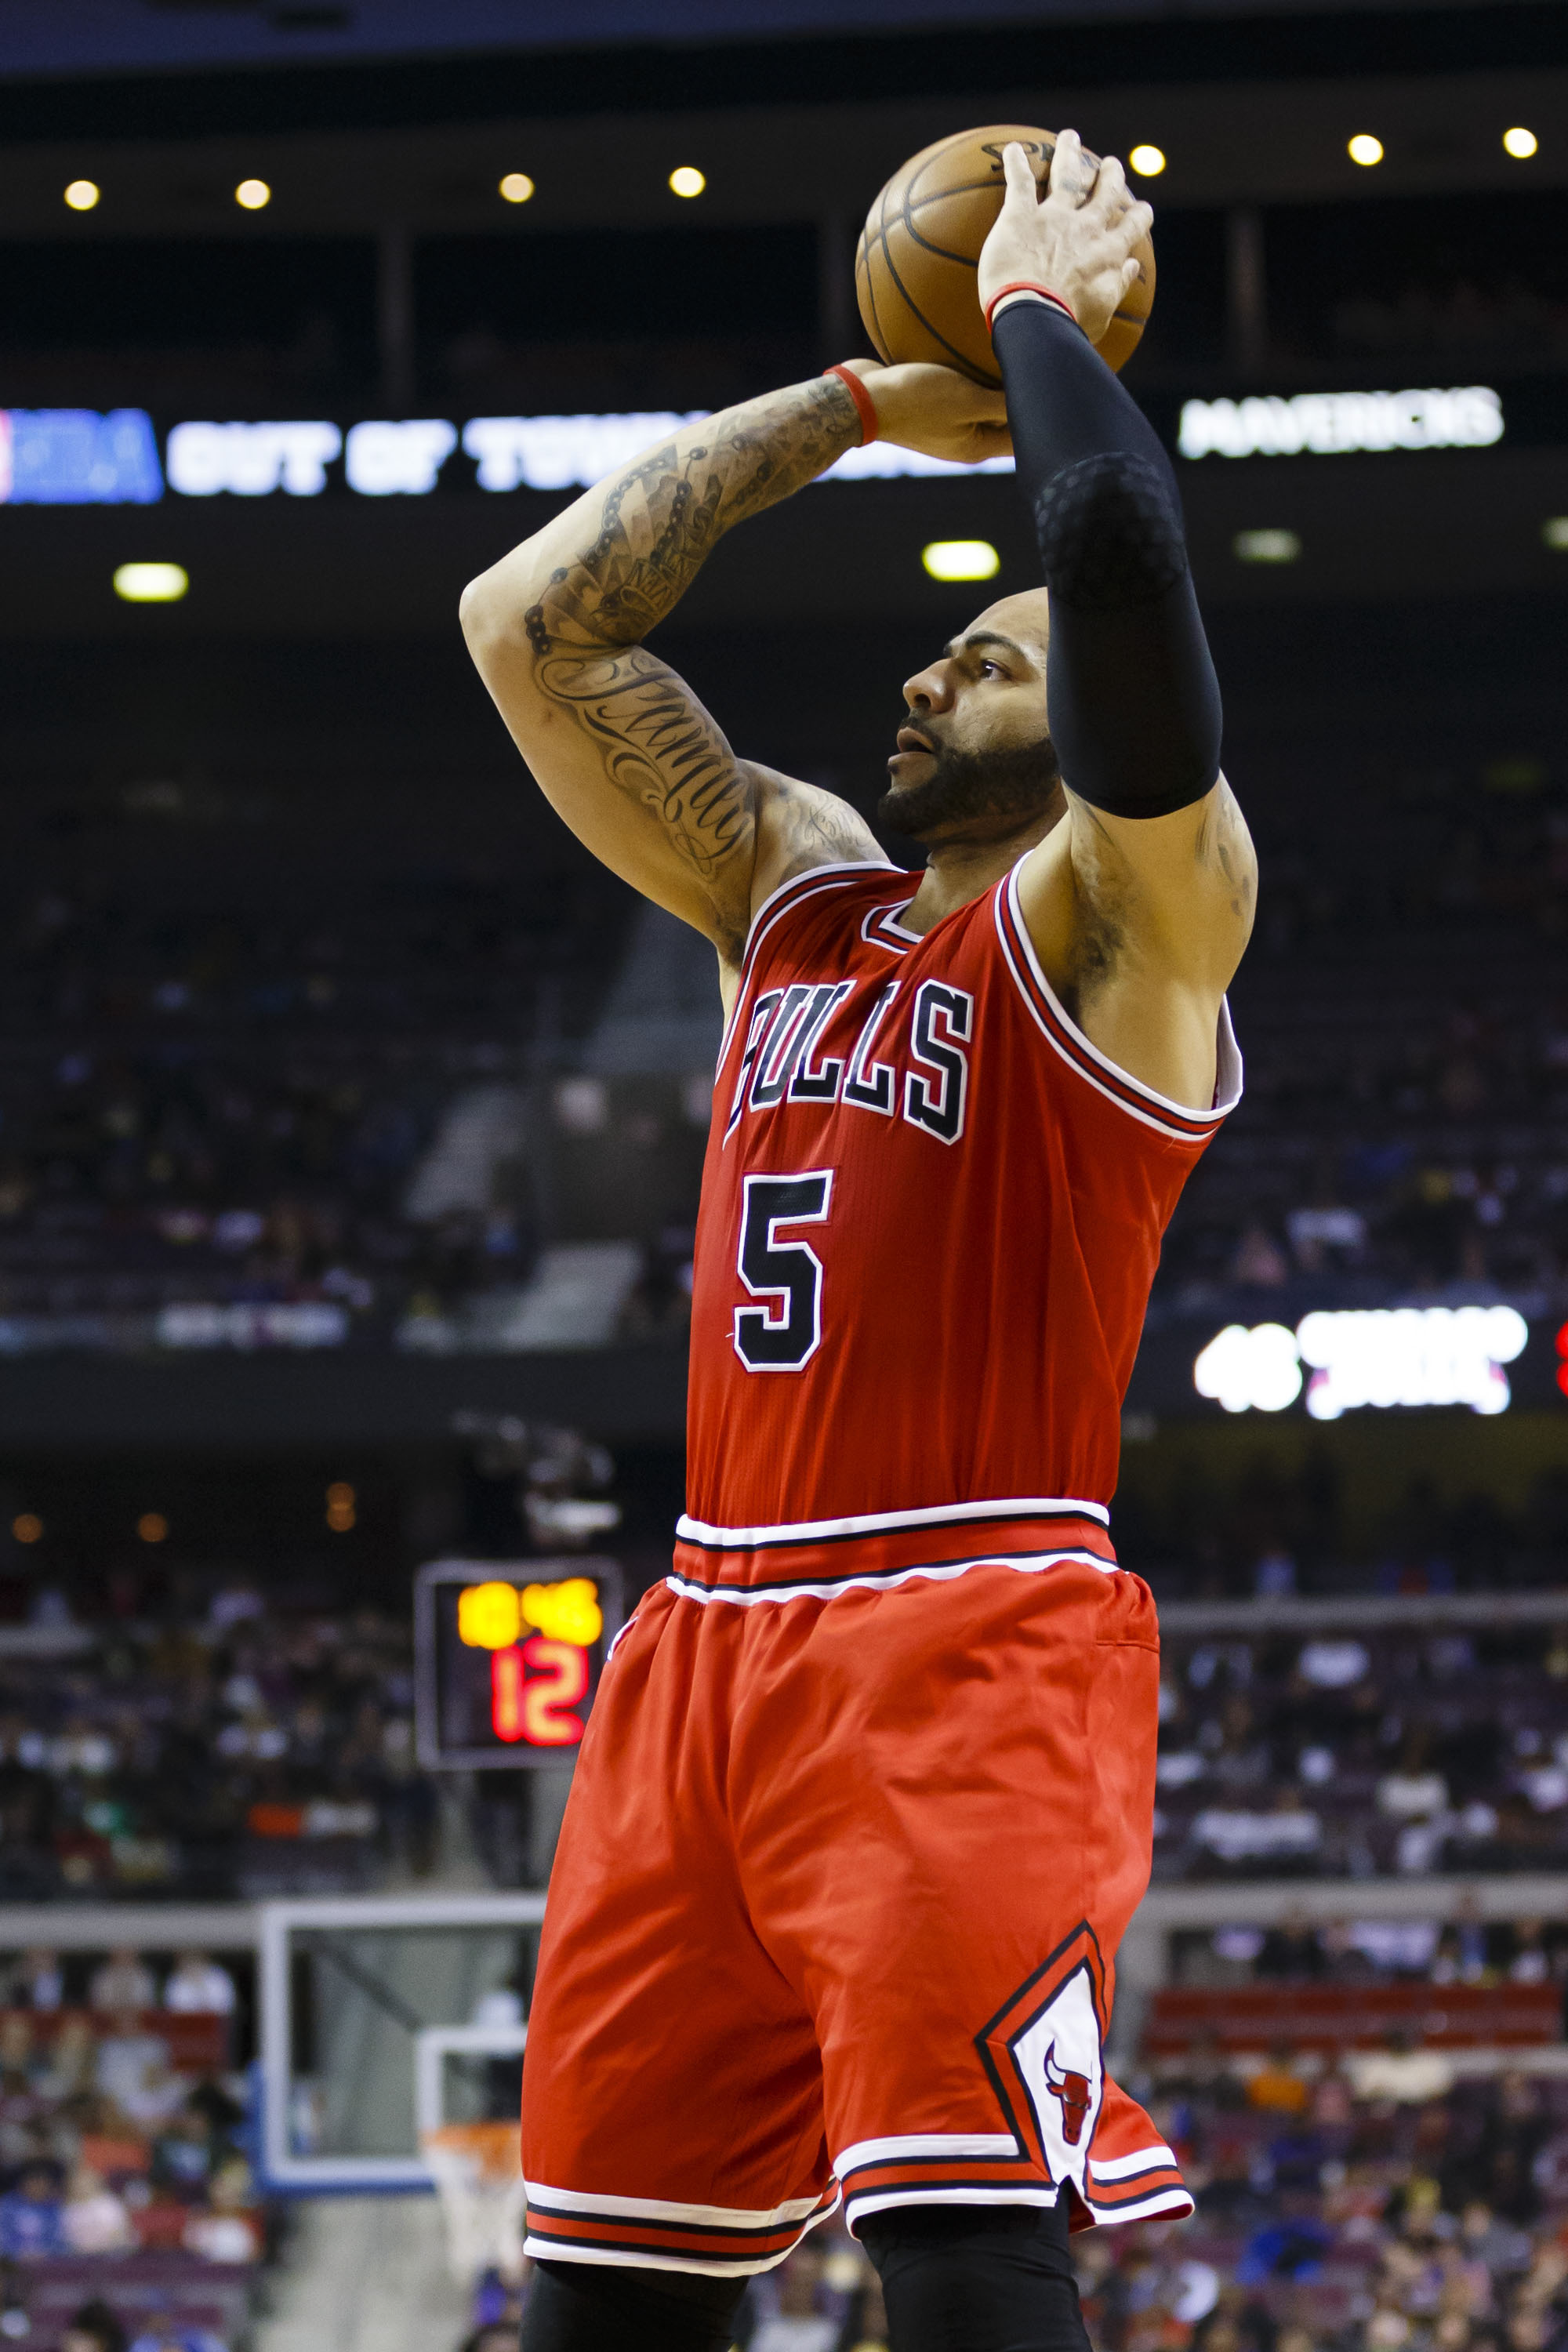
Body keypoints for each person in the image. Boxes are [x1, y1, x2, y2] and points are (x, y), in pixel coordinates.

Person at [463, 134, 1253, 2352]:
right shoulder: (786, 891)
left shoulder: (1134, 923)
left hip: (969, 1630)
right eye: (928, 657)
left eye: (979, 664)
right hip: (702, 1643)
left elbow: (1104, 551)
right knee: (607, 2299)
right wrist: (844, 404)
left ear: (1076, 719)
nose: (924, 683)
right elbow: (525, 625)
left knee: (966, 2265)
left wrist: (1022, 319)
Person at [162, 1952, 237, 2016]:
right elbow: (173, 2011)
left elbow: (226, 2009)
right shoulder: (175, 1979)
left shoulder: (220, 1976)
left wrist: (200, 1986)